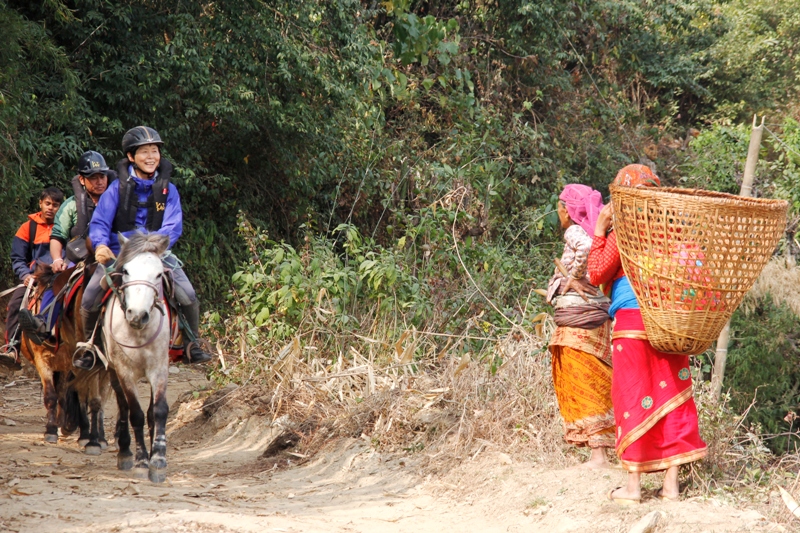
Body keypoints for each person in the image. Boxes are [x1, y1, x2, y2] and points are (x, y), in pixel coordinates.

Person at [588, 164, 706, 503]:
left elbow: (596, 273)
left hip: (632, 326)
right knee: (674, 400)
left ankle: (633, 488)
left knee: (631, 398)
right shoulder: (674, 233)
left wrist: (599, 228)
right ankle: (671, 486)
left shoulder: (624, 233)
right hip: (670, 324)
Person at [74, 126, 213, 369]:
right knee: (89, 297)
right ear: (131, 157)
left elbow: (173, 225)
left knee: (188, 295)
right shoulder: (115, 189)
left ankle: (192, 343)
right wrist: (101, 246)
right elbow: (100, 222)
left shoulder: (169, 190)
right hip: (120, 253)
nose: (151, 157)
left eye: (155, 151)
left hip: (156, 252)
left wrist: (154, 245)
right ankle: (90, 348)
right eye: (144, 152)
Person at [546, 184, 615, 468]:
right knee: (597, 378)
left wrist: (572, 277)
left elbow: (584, 249)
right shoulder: (603, 236)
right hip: (597, 313)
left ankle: (598, 455)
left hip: (578, 317)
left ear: (568, 210)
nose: (559, 213)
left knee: (581, 376)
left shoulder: (576, 231)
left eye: (561, 207)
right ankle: (602, 450)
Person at [17, 151, 114, 344]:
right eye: (93, 177)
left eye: (102, 176)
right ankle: (43, 324)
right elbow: (57, 237)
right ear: (82, 179)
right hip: (81, 258)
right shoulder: (70, 205)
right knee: (57, 281)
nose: (99, 181)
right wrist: (57, 259)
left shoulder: (116, 200)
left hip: (112, 254)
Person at [0, 187, 64, 365]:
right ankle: (12, 347)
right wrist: (25, 275)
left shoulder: (65, 225)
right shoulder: (28, 227)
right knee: (15, 304)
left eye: (56, 205)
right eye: (47, 203)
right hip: (36, 278)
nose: (51, 208)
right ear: (40, 203)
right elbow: (17, 258)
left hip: (61, 275)